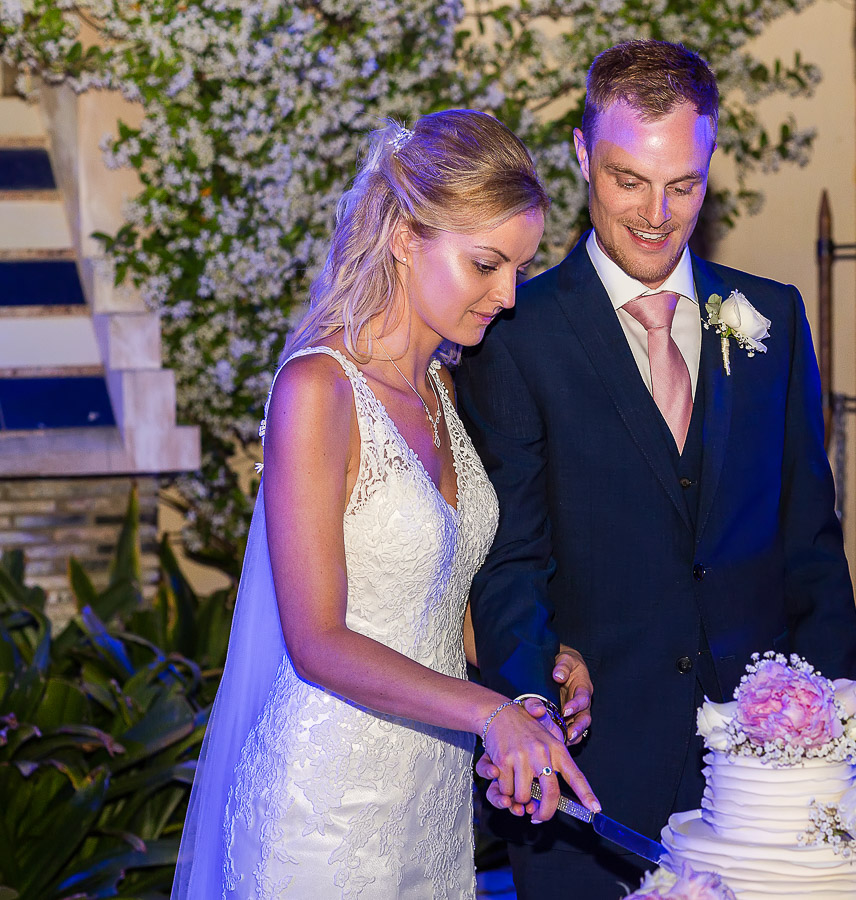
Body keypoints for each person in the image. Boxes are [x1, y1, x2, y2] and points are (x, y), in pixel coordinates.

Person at [457, 40, 856, 900]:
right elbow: (509, 560)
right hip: (594, 775)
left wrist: (834, 735)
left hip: (762, 782)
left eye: (683, 184)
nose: (655, 213)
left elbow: (811, 548)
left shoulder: (773, 319)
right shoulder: (514, 332)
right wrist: (530, 710)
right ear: (580, 155)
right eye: (626, 179)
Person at [171, 109, 601, 900]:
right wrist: (489, 715)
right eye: (486, 265)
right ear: (407, 237)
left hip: (429, 802)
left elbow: (433, 599)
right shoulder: (316, 390)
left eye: (519, 269)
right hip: (324, 813)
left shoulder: (439, 384)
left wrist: (530, 675)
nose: (508, 296)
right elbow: (319, 641)